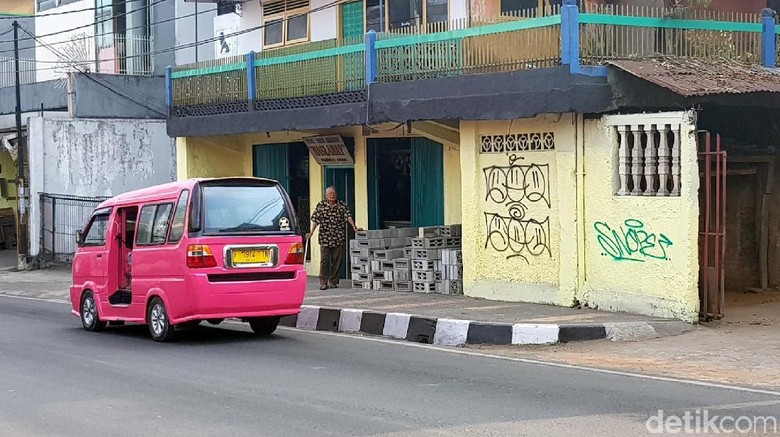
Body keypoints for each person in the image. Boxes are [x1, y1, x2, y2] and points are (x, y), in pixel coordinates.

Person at [307, 186, 362, 290]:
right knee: (324, 261)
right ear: (326, 195)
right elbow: (315, 219)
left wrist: (354, 227)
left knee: (337, 260)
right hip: (325, 238)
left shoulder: (342, 205)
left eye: (333, 193)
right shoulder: (321, 205)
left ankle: (334, 281)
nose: (332, 195)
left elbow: (348, 216)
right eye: (330, 193)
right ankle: (323, 282)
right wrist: (311, 232)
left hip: (338, 237)